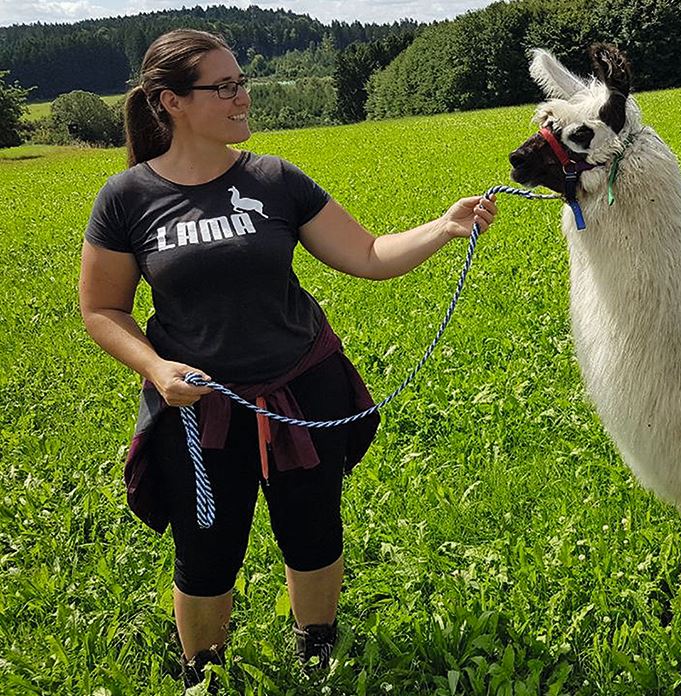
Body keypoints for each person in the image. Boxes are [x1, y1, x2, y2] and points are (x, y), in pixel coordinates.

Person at [77, 28, 497, 687]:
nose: (243, 97)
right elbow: (103, 309)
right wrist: (155, 368)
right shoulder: (127, 198)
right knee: (206, 550)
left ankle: (316, 647)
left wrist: (445, 227)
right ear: (172, 102)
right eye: (224, 87)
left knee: (313, 530)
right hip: (198, 408)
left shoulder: (275, 179)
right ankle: (204, 673)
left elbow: (367, 254)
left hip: (302, 389)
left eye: (241, 82)